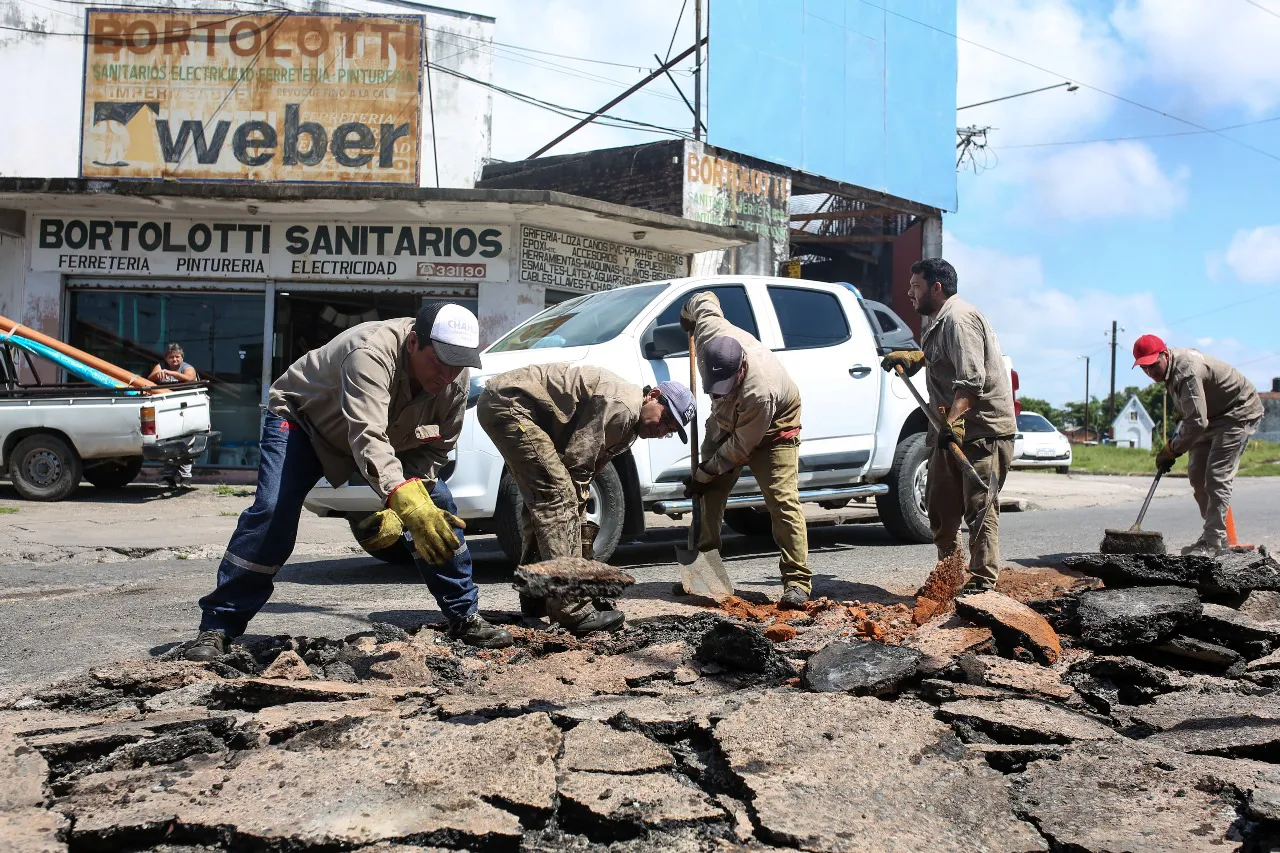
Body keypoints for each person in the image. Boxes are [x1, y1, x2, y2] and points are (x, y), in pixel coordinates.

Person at [185, 303, 512, 661]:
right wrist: (399, 495)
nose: (448, 374)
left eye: (458, 364)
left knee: (437, 514)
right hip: (304, 424)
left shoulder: (455, 380)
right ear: (414, 342)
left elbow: (437, 449)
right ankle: (218, 627)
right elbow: (367, 435)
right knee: (272, 514)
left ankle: (464, 616)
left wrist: (411, 503)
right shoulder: (369, 353)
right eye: (440, 361)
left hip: (388, 443)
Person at [477, 363, 695, 634]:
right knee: (558, 500)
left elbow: (582, 477)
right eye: (665, 418)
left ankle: (537, 594)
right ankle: (571, 609)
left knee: (547, 501)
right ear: (653, 395)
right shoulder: (623, 408)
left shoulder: (628, 424)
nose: (662, 429)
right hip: (510, 404)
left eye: (670, 429)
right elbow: (577, 466)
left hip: (510, 406)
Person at [881, 257, 1016, 594]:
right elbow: (946, 357)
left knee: (980, 509)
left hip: (983, 432)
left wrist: (953, 422)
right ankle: (949, 576)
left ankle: (983, 583)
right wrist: (918, 359)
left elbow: (971, 381)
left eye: (915, 286)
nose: (909, 293)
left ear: (936, 287)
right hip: (950, 431)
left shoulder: (959, 319)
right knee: (940, 509)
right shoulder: (939, 322)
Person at [679, 292, 808, 609]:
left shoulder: (758, 391)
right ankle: (700, 574)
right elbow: (704, 299)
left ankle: (797, 582)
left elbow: (740, 448)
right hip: (726, 420)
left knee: (781, 500)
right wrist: (687, 315)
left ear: (742, 368)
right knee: (707, 496)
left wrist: (704, 472)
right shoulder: (710, 332)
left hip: (775, 428)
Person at [1133, 334, 1263, 556]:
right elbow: (1188, 412)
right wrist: (1176, 434)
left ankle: (1212, 541)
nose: (1150, 372)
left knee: (1216, 476)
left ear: (1165, 355)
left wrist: (1173, 449)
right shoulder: (1170, 372)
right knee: (1196, 475)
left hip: (1237, 412)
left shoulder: (1186, 370)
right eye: (1145, 368)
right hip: (1209, 416)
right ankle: (1216, 537)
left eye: (1153, 365)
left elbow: (1196, 422)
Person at [148, 343, 198, 487]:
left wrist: (171, 373)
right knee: (167, 444)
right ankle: (168, 477)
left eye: (177, 357)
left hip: (186, 410)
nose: (174, 360)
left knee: (186, 443)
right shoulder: (161, 366)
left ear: (182, 357)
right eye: (171, 357)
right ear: (166, 358)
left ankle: (185, 478)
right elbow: (149, 379)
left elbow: (189, 378)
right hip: (167, 411)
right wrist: (158, 374)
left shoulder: (187, 367)